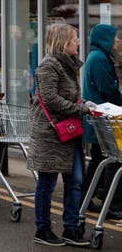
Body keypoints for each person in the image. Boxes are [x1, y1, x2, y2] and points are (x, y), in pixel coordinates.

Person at [28, 23, 92, 247]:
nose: (78, 42)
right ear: (63, 41)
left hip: (69, 131)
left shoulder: (69, 64)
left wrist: (84, 103)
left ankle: (70, 229)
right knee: (47, 183)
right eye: (75, 38)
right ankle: (42, 229)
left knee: (75, 180)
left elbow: (69, 97)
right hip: (50, 133)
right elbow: (50, 99)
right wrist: (82, 109)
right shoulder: (48, 66)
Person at [82, 24, 122, 220]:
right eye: (114, 38)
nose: (117, 41)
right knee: (113, 160)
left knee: (99, 159)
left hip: (99, 119)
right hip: (104, 119)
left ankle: (84, 198)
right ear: (105, 39)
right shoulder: (99, 58)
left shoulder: (98, 56)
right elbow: (108, 90)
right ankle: (113, 205)